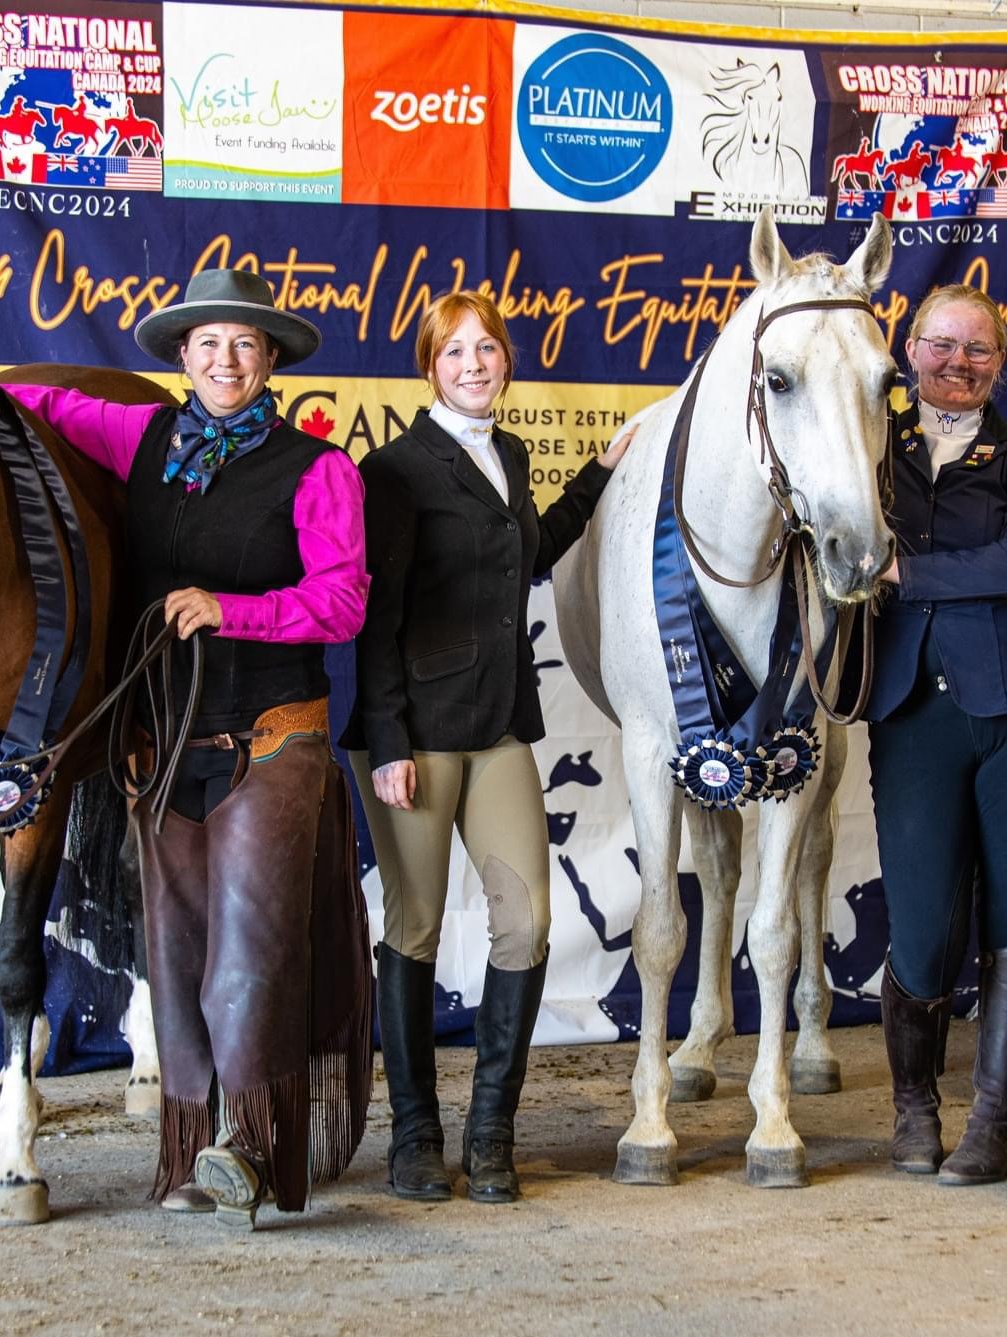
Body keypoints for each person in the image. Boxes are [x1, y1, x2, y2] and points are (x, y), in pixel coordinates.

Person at [3, 268, 371, 1229]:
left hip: (272, 736)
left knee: (245, 955)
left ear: (271, 361)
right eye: (210, 343)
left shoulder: (318, 469)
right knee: (174, 956)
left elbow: (342, 600)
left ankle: (247, 1144)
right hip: (164, 744)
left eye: (245, 345)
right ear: (182, 357)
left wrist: (229, 609)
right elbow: (44, 404)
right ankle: (194, 1137)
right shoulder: (146, 437)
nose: (226, 360)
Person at [343, 291, 629, 1204]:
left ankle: (493, 1128)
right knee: (416, 926)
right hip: (414, 736)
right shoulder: (392, 469)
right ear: (429, 366)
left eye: (488, 349)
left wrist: (599, 472)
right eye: (455, 351)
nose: (475, 364)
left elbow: (533, 549)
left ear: (506, 360)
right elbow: (374, 620)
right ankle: (416, 1135)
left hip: (501, 723)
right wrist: (386, 738)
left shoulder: (507, 452)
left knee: (529, 923)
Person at [866, 285, 1007, 1186]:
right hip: (914, 711)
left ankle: (994, 1122)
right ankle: (914, 1103)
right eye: (943, 345)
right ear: (909, 349)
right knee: (919, 928)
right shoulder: (873, 447)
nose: (959, 363)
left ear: (1002, 360)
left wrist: (903, 570)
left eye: (980, 350)